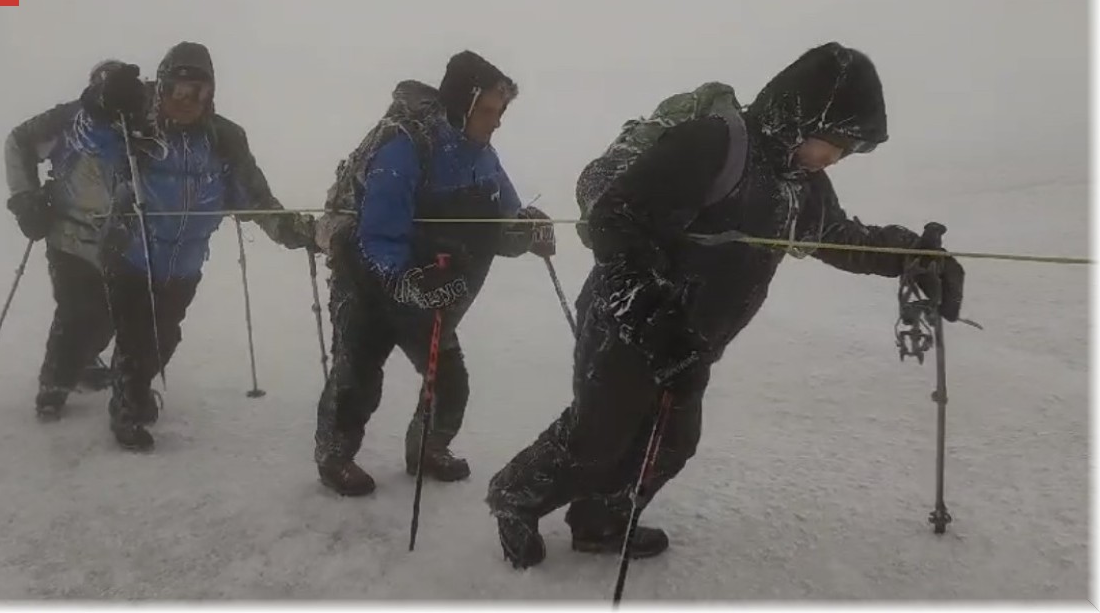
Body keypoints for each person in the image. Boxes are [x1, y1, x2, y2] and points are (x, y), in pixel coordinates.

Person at [485, 42, 967, 569]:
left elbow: (834, 236)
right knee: (596, 437)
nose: (838, 156)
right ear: (800, 115)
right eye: (835, 141)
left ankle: (600, 519)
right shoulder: (714, 145)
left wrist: (909, 256)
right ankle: (514, 498)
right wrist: (654, 320)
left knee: (670, 442)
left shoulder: (801, 185)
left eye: (849, 148)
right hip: (628, 321)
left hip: (693, 341)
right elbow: (613, 221)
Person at [312, 50, 554, 497]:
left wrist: (528, 232)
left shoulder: (484, 157)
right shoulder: (405, 148)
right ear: (462, 104)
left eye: (501, 112)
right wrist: (408, 281)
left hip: (434, 292)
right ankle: (335, 455)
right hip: (368, 284)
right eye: (487, 110)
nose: (496, 121)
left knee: (450, 383)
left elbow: (501, 226)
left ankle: (427, 448)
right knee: (357, 375)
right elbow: (378, 235)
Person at [55, 41, 315, 450]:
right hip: (130, 254)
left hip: (185, 264)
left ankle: (134, 389)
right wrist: (101, 103)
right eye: (178, 91)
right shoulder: (133, 127)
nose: (188, 101)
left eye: (199, 93)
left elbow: (254, 198)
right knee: (135, 337)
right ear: (161, 88)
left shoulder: (224, 138)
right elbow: (90, 139)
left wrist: (291, 231)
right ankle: (126, 408)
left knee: (165, 337)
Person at [5, 59, 129, 418]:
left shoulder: (137, 124)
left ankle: (84, 360)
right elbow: (18, 141)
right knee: (77, 310)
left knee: (109, 313)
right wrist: (25, 197)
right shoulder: (67, 120)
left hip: (118, 240)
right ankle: (53, 385)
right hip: (67, 234)